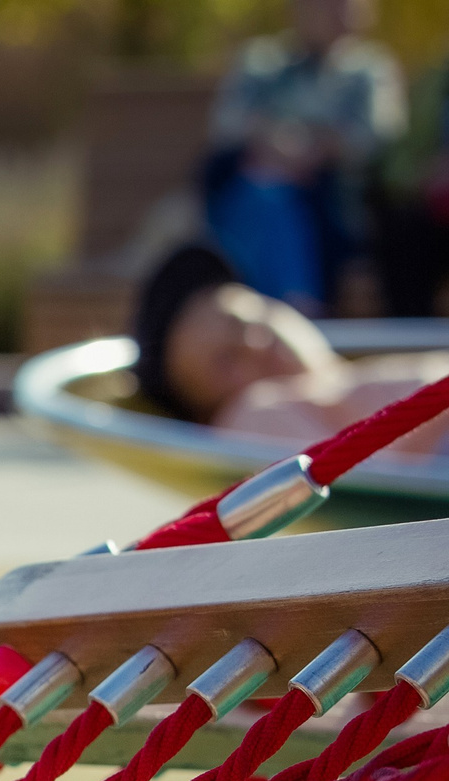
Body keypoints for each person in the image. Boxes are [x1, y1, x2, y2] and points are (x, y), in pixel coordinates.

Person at [133, 240, 449, 455]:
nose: (255, 345)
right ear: (207, 414)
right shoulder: (252, 417)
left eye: (244, 320)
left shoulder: (353, 382)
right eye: (226, 362)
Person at [202, 0, 403, 314]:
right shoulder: (263, 61)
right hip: (248, 194)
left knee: (269, 200)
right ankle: (293, 310)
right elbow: (226, 126)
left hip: (332, 203)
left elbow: (378, 138)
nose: (342, 12)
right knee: (265, 197)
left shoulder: (369, 69)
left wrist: (314, 149)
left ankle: (267, 313)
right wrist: (273, 144)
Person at [372, 52, 449, 315]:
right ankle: (409, 329)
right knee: (401, 225)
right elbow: (397, 162)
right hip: (431, 205)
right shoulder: (435, 83)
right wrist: (423, 175)